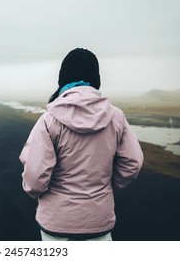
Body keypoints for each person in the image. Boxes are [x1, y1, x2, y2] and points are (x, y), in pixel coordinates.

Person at [19, 48, 143, 241]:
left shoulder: (49, 119)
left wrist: (39, 193)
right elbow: (132, 163)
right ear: (96, 78)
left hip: (57, 224)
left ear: (63, 78)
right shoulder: (116, 116)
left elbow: (35, 178)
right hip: (98, 223)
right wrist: (104, 186)